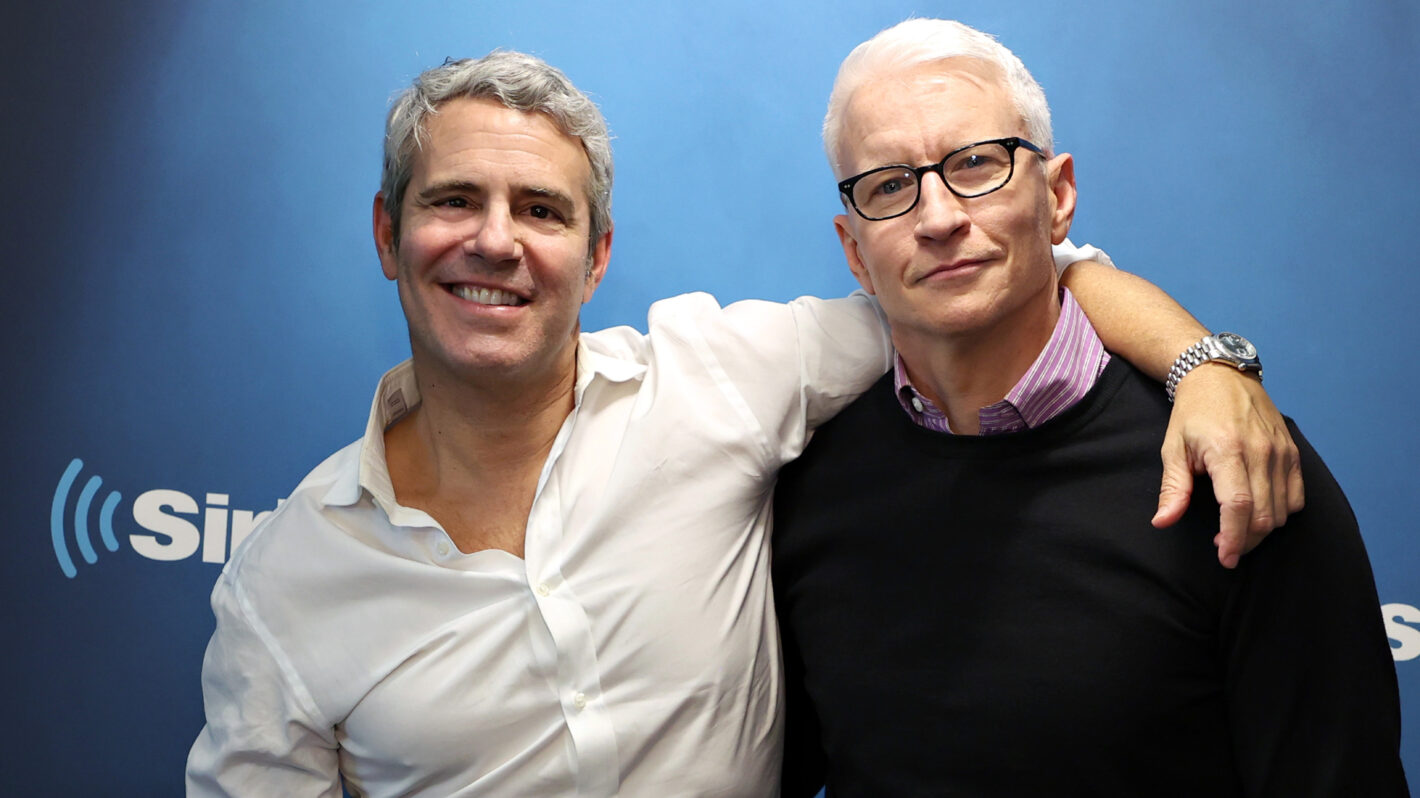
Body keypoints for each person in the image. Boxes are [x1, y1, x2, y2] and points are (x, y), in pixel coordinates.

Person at [186, 50, 1303, 796]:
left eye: (541, 210)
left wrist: (1203, 366)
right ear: (388, 237)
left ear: (597, 255)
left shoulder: (720, 377)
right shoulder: (284, 585)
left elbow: (996, 277)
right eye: (452, 202)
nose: (497, 242)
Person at [772, 19, 1407, 796]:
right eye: (890, 186)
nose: (937, 217)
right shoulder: (811, 487)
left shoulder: (1233, 467)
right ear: (853, 249)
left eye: (977, 163)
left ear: (1059, 196)